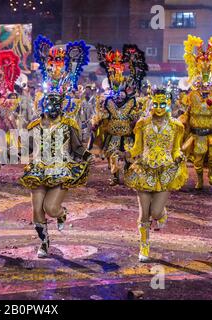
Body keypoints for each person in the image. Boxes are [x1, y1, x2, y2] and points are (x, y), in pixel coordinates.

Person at [20, 35, 93, 258]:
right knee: (36, 211)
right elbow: (27, 146)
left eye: (55, 103)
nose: (50, 106)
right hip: (39, 169)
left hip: (62, 169)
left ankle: (61, 214)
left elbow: (78, 146)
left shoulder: (68, 122)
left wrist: (86, 156)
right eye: (47, 102)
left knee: (50, 208)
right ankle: (44, 243)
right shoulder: (35, 124)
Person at [123, 89, 188, 262]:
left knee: (156, 212)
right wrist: (127, 155)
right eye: (155, 104)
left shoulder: (176, 126)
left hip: (166, 171)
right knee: (144, 213)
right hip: (144, 170)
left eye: (162, 104)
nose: (158, 108)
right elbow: (137, 148)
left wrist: (178, 156)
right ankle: (144, 245)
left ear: (168, 105)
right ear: (151, 104)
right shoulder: (142, 124)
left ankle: (161, 214)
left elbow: (175, 149)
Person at [179, 34, 212, 189]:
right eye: (201, 84)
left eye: (207, 85)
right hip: (197, 134)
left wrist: (211, 104)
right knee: (198, 158)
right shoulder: (192, 96)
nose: (204, 87)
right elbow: (187, 113)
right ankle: (200, 179)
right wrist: (181, 120)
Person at [90, 44, 148, 186]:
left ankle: (128, 175)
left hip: (127, 135)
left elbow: (138, 117)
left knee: (129, 157)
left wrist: (137, 122)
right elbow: (100, 116)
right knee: (113, 156)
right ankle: (115, 177)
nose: (119, 96)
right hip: (113, 136)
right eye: (116, 93)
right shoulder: (107, 103)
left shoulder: (133, 102)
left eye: (121, 93)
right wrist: (96, 123)